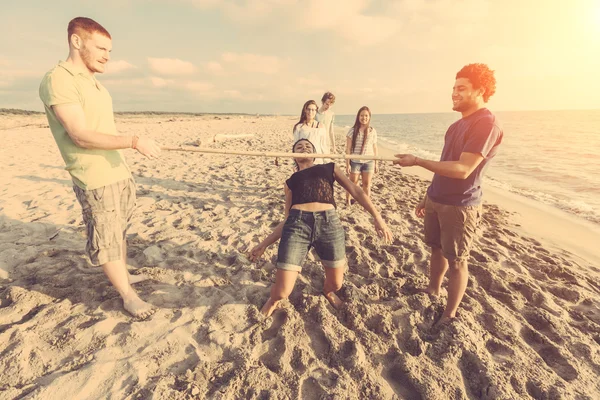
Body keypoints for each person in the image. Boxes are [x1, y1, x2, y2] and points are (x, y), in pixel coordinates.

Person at [38, 17, 162, 319]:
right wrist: (133, 141)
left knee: (118, 232)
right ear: (76, 41)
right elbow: (79, 134)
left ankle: (125, 276)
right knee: (105, 239)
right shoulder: (59, 79)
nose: (107, 55)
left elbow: (101, 127)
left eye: (110, 50)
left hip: (117, 171)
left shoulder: (94, 83)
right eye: (101, 48)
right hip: (93, 176)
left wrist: (128, 149)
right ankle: (128, 296)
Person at [393, 63, 503, 325]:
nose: (454, 93)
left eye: (461, 88)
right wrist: (427, 194)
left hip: (460, 205)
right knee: (436, 249)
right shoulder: (456, 126)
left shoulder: (486, 124)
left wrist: (417, 160)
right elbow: (445, 164)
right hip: (436, 198)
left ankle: (450, 313)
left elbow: (463, 169)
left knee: (457, 261)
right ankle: (433, 289)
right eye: (454, 88)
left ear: (481, 90)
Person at [249, 139, 393, 317]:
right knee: (281, 292)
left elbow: (356, 191)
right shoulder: (291, 181)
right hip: (297, 226)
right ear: (294, 156)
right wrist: (264, 244)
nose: (304, 148)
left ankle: (327, 291)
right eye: (299, 147)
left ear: (315, 154)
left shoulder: (328, 168)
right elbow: (287, 219)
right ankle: (273, 301)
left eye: (308, 146)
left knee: (336, 284)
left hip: (329, 224)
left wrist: (377, 217)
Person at [345, 106, 379, 206]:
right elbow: (348, 149)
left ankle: (366, 204)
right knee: (353, 184)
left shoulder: (373, 131)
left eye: (366, 116)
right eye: (362, 115)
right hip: (355, 162)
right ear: (358, 117)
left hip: (369, 162)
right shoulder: (352, 131)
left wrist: (376, 163)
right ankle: (347, 201)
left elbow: (375, 148)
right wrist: (347, 164)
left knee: (367, 184)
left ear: (369, 117)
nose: (364, 118)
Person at [293, 100, 330, 164]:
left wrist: (327, 161)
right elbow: (296, 146)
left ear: (316, 111)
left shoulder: (321, 126)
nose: (310, 112)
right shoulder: (299, 127)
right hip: (304, 161)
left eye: (313, 110)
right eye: (308, 109)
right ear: (305, 110)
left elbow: (324, 145)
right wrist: (295, 163)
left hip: (318, 160)